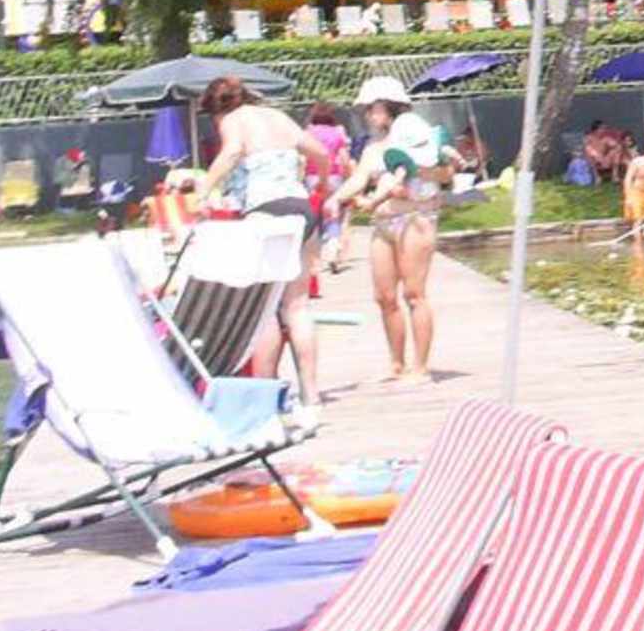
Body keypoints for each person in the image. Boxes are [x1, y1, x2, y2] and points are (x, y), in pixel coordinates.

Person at [190, 77, 335, 417]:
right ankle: (311, 393)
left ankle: (266, 392)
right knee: (298, 306)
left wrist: (203, 190)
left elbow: (232, 152)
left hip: (266, 211)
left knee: (265, 307)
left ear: (216, 110)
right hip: (300, 207)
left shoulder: (233, 120)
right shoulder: (276, 116)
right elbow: (320, 152)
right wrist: (322, 184)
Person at [327, 76, 453, 386]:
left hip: (415, 219)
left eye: (373, 108)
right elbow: (359, 178)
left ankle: (421, 367)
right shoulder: (373, 147)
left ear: (390, 108)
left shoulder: (418, 138)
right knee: (384, 296)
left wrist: (415, 172)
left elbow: (445, 173)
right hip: (383, 224)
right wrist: (336, 198)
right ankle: (396, 363)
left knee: (414, 293)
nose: (368, 115)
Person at [303, 101, 354, 274]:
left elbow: (303, 157)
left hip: (312, 176)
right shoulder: (337, 133)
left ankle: (314, 260)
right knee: (332, 214)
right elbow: (344, 158)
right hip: (334, 176)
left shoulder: (308, 133)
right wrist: (347, 176)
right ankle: (332, 249)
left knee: (314, 215)